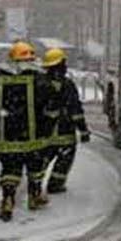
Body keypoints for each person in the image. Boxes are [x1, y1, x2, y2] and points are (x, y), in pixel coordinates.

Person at [0, 41, 59, 222]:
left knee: (10, 170)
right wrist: (48, 128)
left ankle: (8, 198)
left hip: (8, 139)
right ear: (32, 58)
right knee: (35, 169)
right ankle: (34, 196)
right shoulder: (42, 81)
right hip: (35, 139)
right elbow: (53, 108)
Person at [41, 48, 91, 194]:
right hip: (65, 133)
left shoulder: (40, 83)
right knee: (64, 160)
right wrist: (83, 130)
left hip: (44, 134)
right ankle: (55, 184)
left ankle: (35, 183)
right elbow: (76, 110)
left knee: (42, 160)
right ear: (60, 64)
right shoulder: (67, 85)